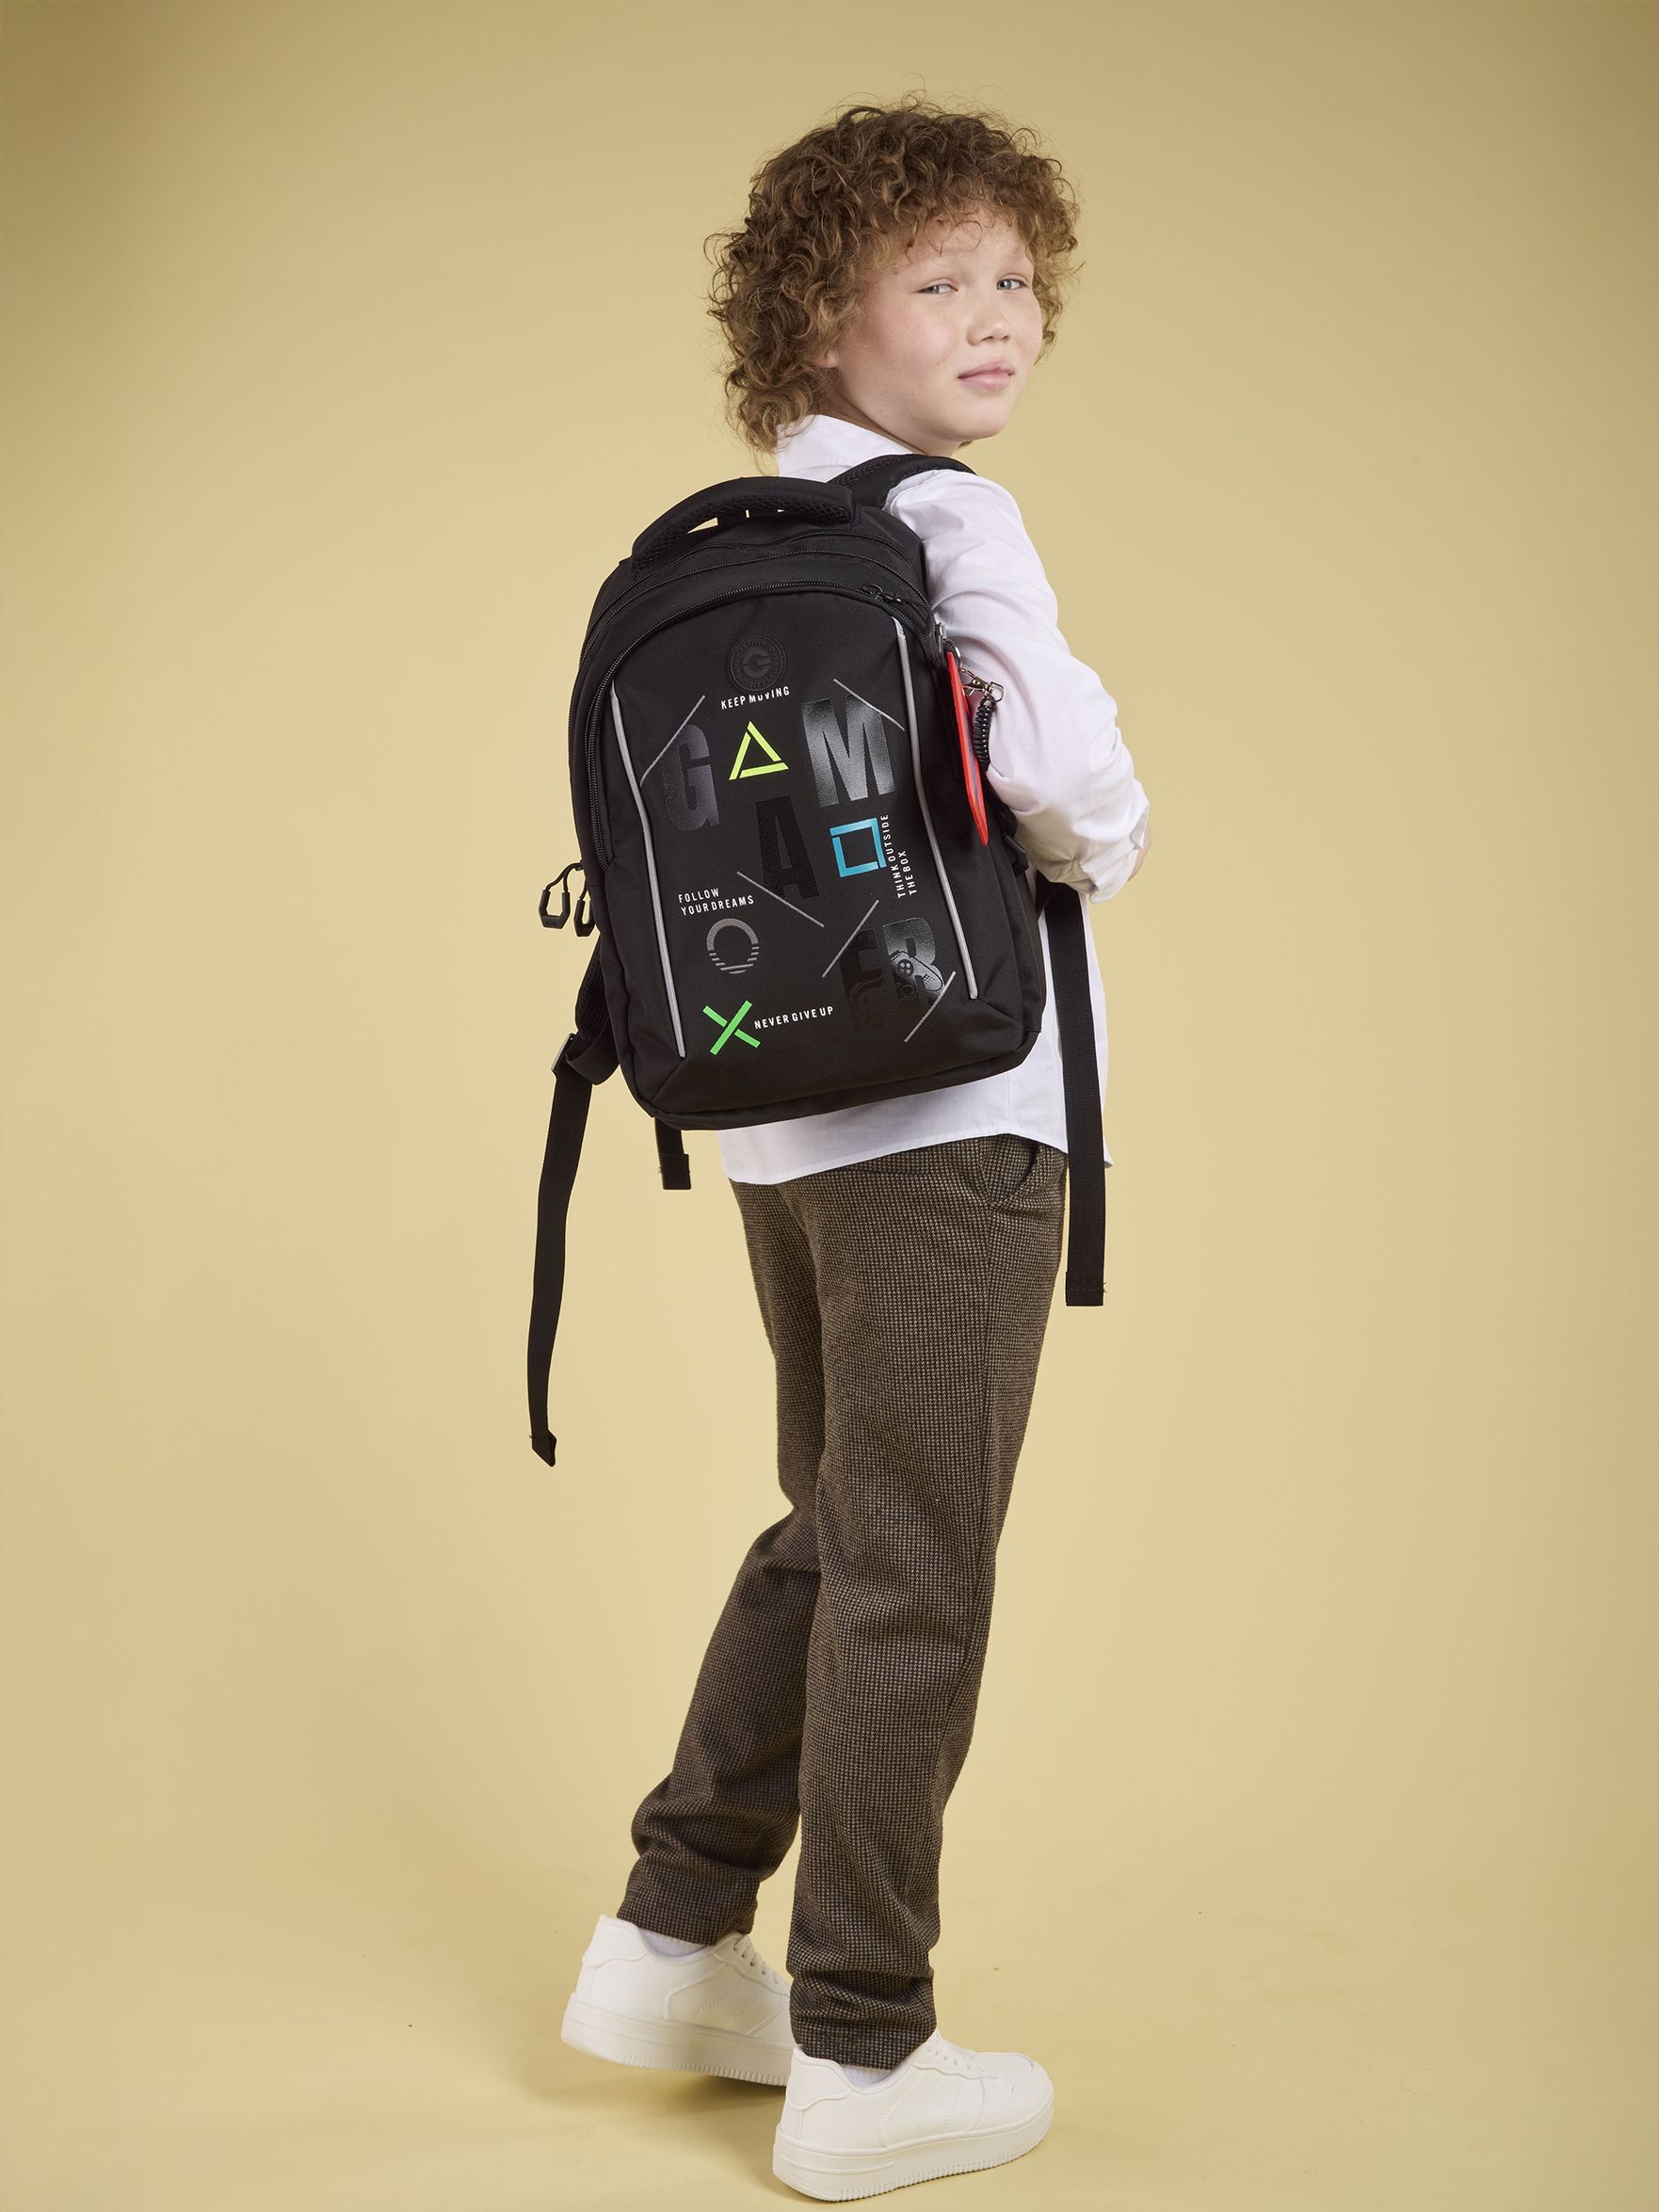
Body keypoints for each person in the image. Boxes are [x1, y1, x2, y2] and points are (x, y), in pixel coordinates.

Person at [560, 95, 1152, 2200]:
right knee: (913, 1562)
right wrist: (1110, 831)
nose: (997, 317)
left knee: (833, 1522)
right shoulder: (945, 518)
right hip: (956, 1115)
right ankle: (864, 2048)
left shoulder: (728, 536)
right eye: (939, 279)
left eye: (1015, 279)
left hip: (779, 1111)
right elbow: (1066, 777)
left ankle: (667, 1942)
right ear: (821, 315)